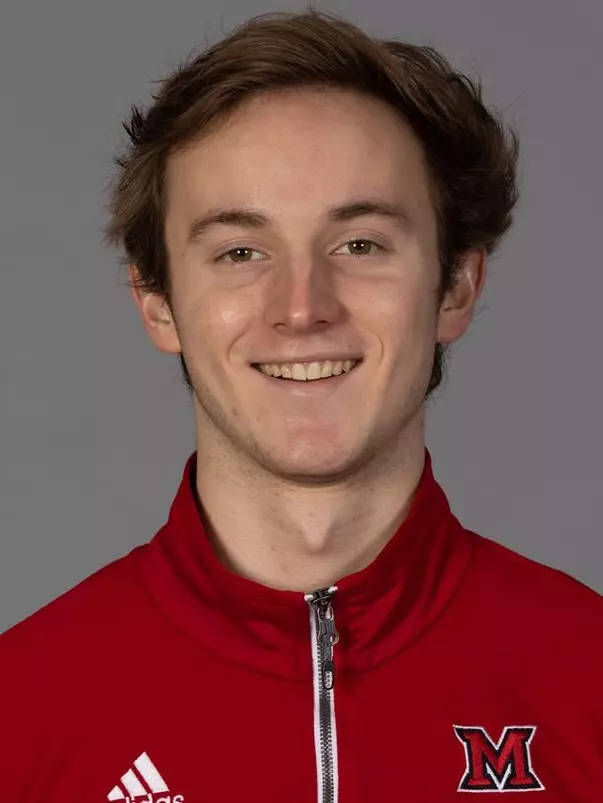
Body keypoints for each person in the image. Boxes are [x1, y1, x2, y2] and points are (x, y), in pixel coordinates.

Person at [1, 7, 601, 802]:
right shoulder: (19, 714)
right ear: (156, 301)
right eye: (239, 251)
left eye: (360, 244)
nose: (302, 307)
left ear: (456, 284)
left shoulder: (587, 679)